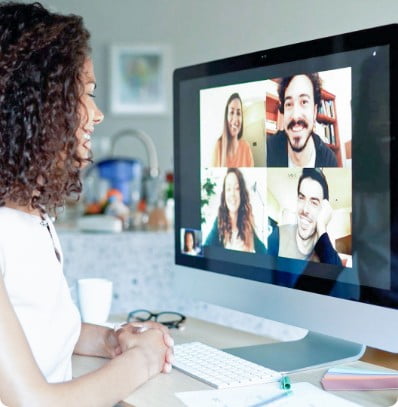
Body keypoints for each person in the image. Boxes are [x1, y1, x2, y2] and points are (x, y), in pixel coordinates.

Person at [0, 3, 173, 406]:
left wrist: (113, 340)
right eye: (86, 94)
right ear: (38, 105)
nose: (97, 114)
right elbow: (34, 401)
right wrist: (142, 362)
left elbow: (39, 327)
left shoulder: (32, 217)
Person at [268, 169, 342, 265]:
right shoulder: (278, 235)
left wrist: (322, 227)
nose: (305, 210)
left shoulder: (325, 252)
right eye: (301, 198)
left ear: (323, 210)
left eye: (314, 202)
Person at [266, 73, 338, 167]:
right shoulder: (269, 148)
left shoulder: (329, 160)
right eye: (289, 104)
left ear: (315, 111)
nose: (295, 116)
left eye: (304, 102)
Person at [205, 168, 266, 253]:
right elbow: (205, 251)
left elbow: (264, 252)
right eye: (228, 189)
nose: (232, 194)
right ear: (224, 195)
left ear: (241, 194)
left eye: (237, 188)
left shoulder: (248, 225)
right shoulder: (218, 223)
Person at [212, 93, 254, 167]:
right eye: (231, 112)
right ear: (226, 116)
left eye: (238, 113)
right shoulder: (218, 146)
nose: (235, 119)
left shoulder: (246, 147)